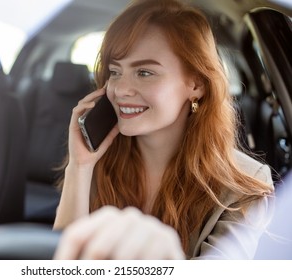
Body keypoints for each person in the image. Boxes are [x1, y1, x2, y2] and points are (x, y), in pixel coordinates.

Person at [53, 0, 274, 259]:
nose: (120, 90)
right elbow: (63, 262)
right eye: (115, 71)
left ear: (196, 84)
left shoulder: (243, 186)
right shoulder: (98, 161)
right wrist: (79, 167)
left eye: (145, 72)